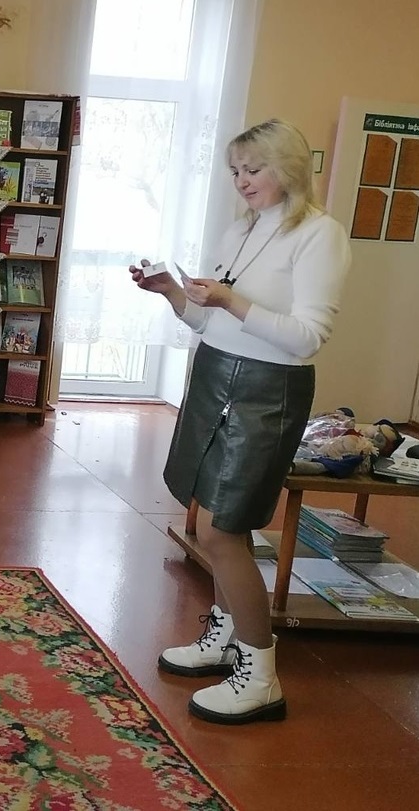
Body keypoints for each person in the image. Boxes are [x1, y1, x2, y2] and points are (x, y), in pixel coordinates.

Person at [130, 119, 351, 725]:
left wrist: (230, 298)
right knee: (212, 520)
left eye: (253, 169)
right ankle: (226, 638)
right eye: (235, 170)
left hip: (267, 390)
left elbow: (307, 337)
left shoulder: (320, 234)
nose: (242, 181)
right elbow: (211, 322)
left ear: (288, 167)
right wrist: (172, 293)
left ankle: (260, 677)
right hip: (215, 375)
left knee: (222, 530)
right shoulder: (243, 228)